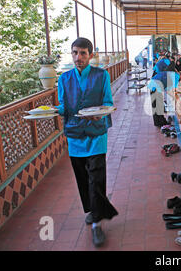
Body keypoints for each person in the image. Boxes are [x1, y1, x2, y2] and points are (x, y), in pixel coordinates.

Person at [56, 37, 118, 247]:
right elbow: (64, 107)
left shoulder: (101, 75)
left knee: (96, 178)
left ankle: (96, 224)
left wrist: (100, 114)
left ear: (91, 55)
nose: (78, 57)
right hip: (75, 136)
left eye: (83, 53)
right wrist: (54, 112)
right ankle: (94, 211)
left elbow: (108, 102)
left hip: (96, 134)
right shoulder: (64, 79)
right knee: (83, 179)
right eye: (75, 53)